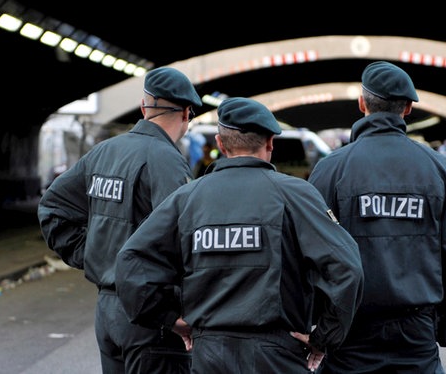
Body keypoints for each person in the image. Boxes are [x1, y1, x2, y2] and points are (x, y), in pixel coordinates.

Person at [115, 97, 365, 373]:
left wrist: (170, 318)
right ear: (270, 143)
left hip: (208, 353)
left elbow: (131, 260)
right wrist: (324, 338)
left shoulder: (188, 197)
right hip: (276, 355)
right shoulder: (295, 195)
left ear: (221, 145)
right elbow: (346, 268)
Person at [307, 61, 446, 373]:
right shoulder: (439, 169)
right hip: (416, 331)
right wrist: (441, 303)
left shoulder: (331, 170)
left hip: (349, 329)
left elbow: (307, 254)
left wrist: (322, 321)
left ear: (362, 104)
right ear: (409, 108)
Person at [38, 66, 202, 374]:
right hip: (151, 319)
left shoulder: (104, 152)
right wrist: (173, 311)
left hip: (108, 313)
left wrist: (91, 255)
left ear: (144, 108)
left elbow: (53, 207)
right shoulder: (167, 162)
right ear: (186, 113)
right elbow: (185, 242)